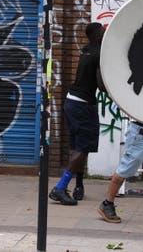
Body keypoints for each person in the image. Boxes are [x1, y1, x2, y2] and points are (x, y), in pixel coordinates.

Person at [49, 22, 106, 206]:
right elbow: (101, 85)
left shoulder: (86, 50)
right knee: (81, 149)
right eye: (103, 32)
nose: (105, 34)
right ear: (97, 36)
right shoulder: (98, 54)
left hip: (71, 101)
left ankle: (73, 186)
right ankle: (60, 187)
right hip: (83, 105)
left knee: (77, 147)